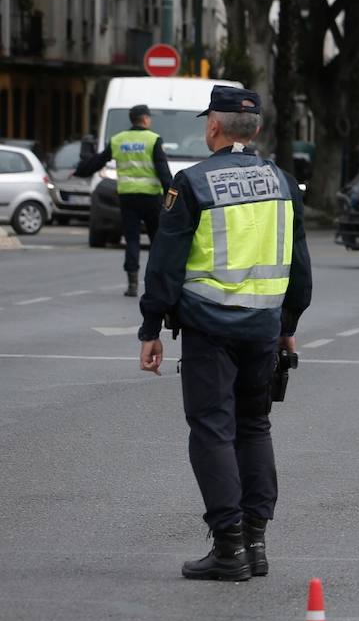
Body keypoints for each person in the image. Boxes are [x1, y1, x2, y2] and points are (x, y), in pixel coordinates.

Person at [136, 85, 312, 581]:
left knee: (212, 429)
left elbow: (165, 266)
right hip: (263, 327)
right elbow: (299, 265)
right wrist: (288, 327)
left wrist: (151, 327)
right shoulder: (282, 182)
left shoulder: (191, 183)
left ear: (213, 125)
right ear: (254, 129)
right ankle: (255, 544)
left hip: (209, 326)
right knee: (254, 426)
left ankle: (228, 547)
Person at [75, 104, 173, 296]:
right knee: (157, 241)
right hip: (151, 198)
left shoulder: (118, 140)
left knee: (132, 240)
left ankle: (132, 284)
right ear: (145, 119)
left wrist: (79, 171)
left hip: (128, 197)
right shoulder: (153, 140)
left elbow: (97, 161)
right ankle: (157, 282)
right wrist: (172, 199)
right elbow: (164, 173)